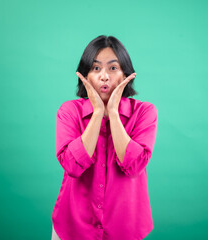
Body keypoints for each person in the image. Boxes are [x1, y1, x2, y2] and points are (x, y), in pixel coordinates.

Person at [51, 35, 158, 240]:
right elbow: (72, 167)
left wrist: (114, 113)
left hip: (125, 229)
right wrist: (98, 113)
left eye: (113, 68)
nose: (104, 76)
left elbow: (134, 165)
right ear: (85, 74)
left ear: (126, 73)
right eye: (96, 68)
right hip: (72, 227)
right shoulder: (69, 111)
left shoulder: (145, 112)